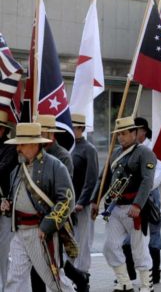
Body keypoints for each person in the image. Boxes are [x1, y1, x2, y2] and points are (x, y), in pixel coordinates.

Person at [1, 122, 75, 291]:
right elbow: (18, 196)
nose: (18, 148)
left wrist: (47, 226)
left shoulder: (56, 166)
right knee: (15, 280)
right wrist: (8, 204)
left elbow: (67, 201)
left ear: (35, 144)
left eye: (22, 144)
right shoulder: (19, 168)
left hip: (40, 231)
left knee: (54, 280)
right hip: (19, 231)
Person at [91, 116, 157, 292]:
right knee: (109, 246)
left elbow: (147, 181)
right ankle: (124, 282)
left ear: (135, 133)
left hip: (135, 208)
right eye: (118, 134)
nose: (121, 137)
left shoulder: (144, 153)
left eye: (124, 133)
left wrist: (137, 205)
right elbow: (103, 179)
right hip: (114, 207)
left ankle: (146, 284)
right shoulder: (115, 153)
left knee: (138, 249)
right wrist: (95, 200)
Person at [120, 117, 161, 284]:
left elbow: (157, 175)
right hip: (130, 197)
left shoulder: (152, 148)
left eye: (134, 130)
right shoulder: (127, 149)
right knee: (128, 233)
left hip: (150, 194)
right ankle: (130, 272)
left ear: (143, 131)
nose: (131, 134)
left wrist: (142, 190)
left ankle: (155, 272)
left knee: (153, 232)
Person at [68, 114, 99, 292]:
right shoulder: (68, 148)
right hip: (67, 204)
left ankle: (83, 275)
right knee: (68, 242)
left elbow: (92, 179)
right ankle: (72, 274)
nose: (71, 130)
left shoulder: (89, 149)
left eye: (74, 127)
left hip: (82, 205)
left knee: (82, 242)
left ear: (81, 129)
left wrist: (82, 202)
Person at [0, 111, 17, 291]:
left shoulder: (10, 148)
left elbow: (3, 170)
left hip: (4, 205)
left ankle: (3, 286)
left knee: (2, 251)